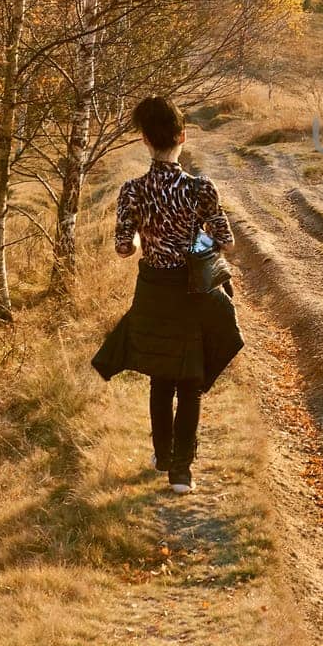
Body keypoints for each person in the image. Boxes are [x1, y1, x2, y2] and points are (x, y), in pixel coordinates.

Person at [92, 97, 243, 494]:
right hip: (192, 291)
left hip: (154, 291)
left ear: (144, 140)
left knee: (160, 378)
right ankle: (182, 471)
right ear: (182, 136)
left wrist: (150, 237)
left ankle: (161, 455)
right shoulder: (201, 188)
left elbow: (124, 249)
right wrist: (195, 240)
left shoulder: (132, 191)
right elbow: (226, 241)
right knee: (190, 382)